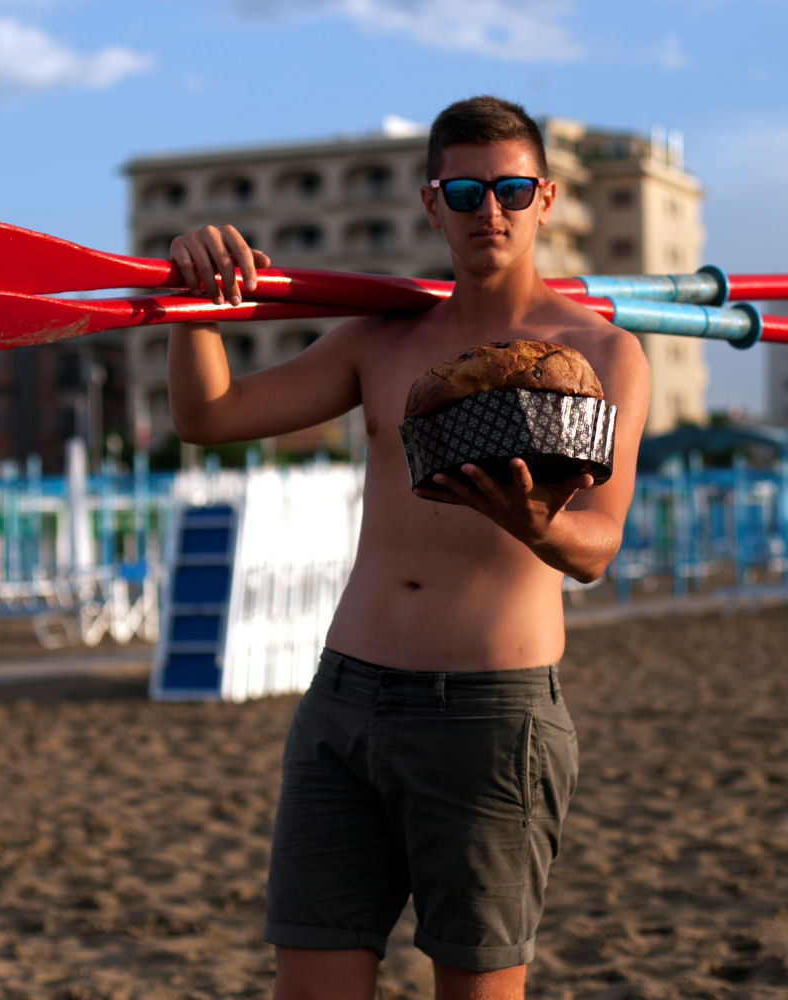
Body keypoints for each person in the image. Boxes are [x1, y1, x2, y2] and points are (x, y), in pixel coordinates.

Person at [166, 95, 650, 1000]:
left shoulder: (601, 355)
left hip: (490, 718)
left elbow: (595, 550)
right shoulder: (382, 339)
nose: (488, 212)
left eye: (510, 189)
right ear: (433, 204)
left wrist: (533, 518)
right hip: (343, 704)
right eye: (465, 191)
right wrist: (194, 306)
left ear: (545, 198)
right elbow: (211, 418)